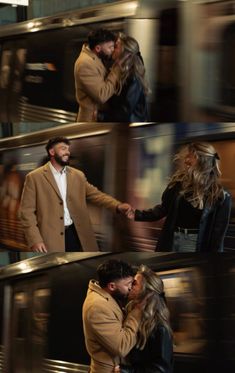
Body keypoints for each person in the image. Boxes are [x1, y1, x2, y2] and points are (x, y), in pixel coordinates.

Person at [19, 137, 132, 253]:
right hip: (51, 239)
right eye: (63, 149)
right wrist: (35, 240)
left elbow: (96, 195)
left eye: (68, 149)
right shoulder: (34, 177)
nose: (67, 152)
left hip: (77, 235)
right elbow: (26, 213)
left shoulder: (78, 175)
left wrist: (117, 206)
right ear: (51, 152)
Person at [129, 142, 232, 252]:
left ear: (202, 161)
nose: (185, 160)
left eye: (190, 157)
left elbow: (217, 236)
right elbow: (162, 210)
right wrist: (136, 214)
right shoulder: (177, 185)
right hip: (174, 240)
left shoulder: (221, 195)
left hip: (197, 244)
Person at [82, 259, 144, 373]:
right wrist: (137, 312)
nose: (131, 288)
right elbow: (122, 347)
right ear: (112, 286)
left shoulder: (110, 297)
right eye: (128, 284)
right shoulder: (97, 306)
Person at [118, 265, 173, 373]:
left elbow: (160, 369)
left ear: (146, 290)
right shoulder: (132, 315)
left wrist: (128, 371)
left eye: (134, 283)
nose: (130, 286)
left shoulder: (159, 327)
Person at [74, 28, 122, 122]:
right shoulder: (85, 63)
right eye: (110, 47)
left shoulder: (96, 56)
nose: (113, 50)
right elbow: (101, 95)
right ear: (98, 48)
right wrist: (117, 69)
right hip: (91, 119)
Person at [101, 34, 149, 122]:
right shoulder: (120, 72)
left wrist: (101, 117)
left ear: (124, 52)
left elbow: (124, 112)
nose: (112, 49)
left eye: (116, 47)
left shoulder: (133, 77)